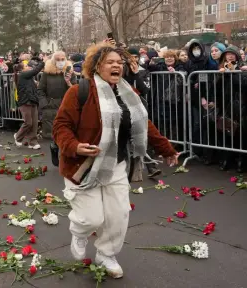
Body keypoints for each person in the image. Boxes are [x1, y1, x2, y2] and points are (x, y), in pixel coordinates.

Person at [52, 43, 179, 279]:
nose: (116, 66)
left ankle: (106, 254)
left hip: (117, 164)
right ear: (96, 66)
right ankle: (80, 233)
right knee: (91, 219)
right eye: (110, 62)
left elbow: (143, 123)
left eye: (119, 63)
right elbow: (61, 126)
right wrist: (74, 146)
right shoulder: (80, 91)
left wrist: (166, 149)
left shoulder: (127, 92)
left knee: (118, 214)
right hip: (82, 166)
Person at [38, 51, 78, 140]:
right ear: (53, 61)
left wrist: (68, 82)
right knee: (51, 138)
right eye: (58, 59)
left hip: (66, 106)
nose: (60, 61)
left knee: (66, 137)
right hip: (50, 107)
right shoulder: (47, 73)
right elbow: (40, 90)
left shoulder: (70, 73)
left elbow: (75, 90)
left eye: (62, 59)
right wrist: (44, 104)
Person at [13, 55, 46, 150]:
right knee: (28, 123)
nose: (29, 67)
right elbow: (36, 70)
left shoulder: (29, 77)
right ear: (22, 70)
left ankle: (33, 142)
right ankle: (18, 136)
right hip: (24, 102)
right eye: (26, 66)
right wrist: (42, 62)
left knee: (35, 123)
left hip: (33, 101)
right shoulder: (22, 75)